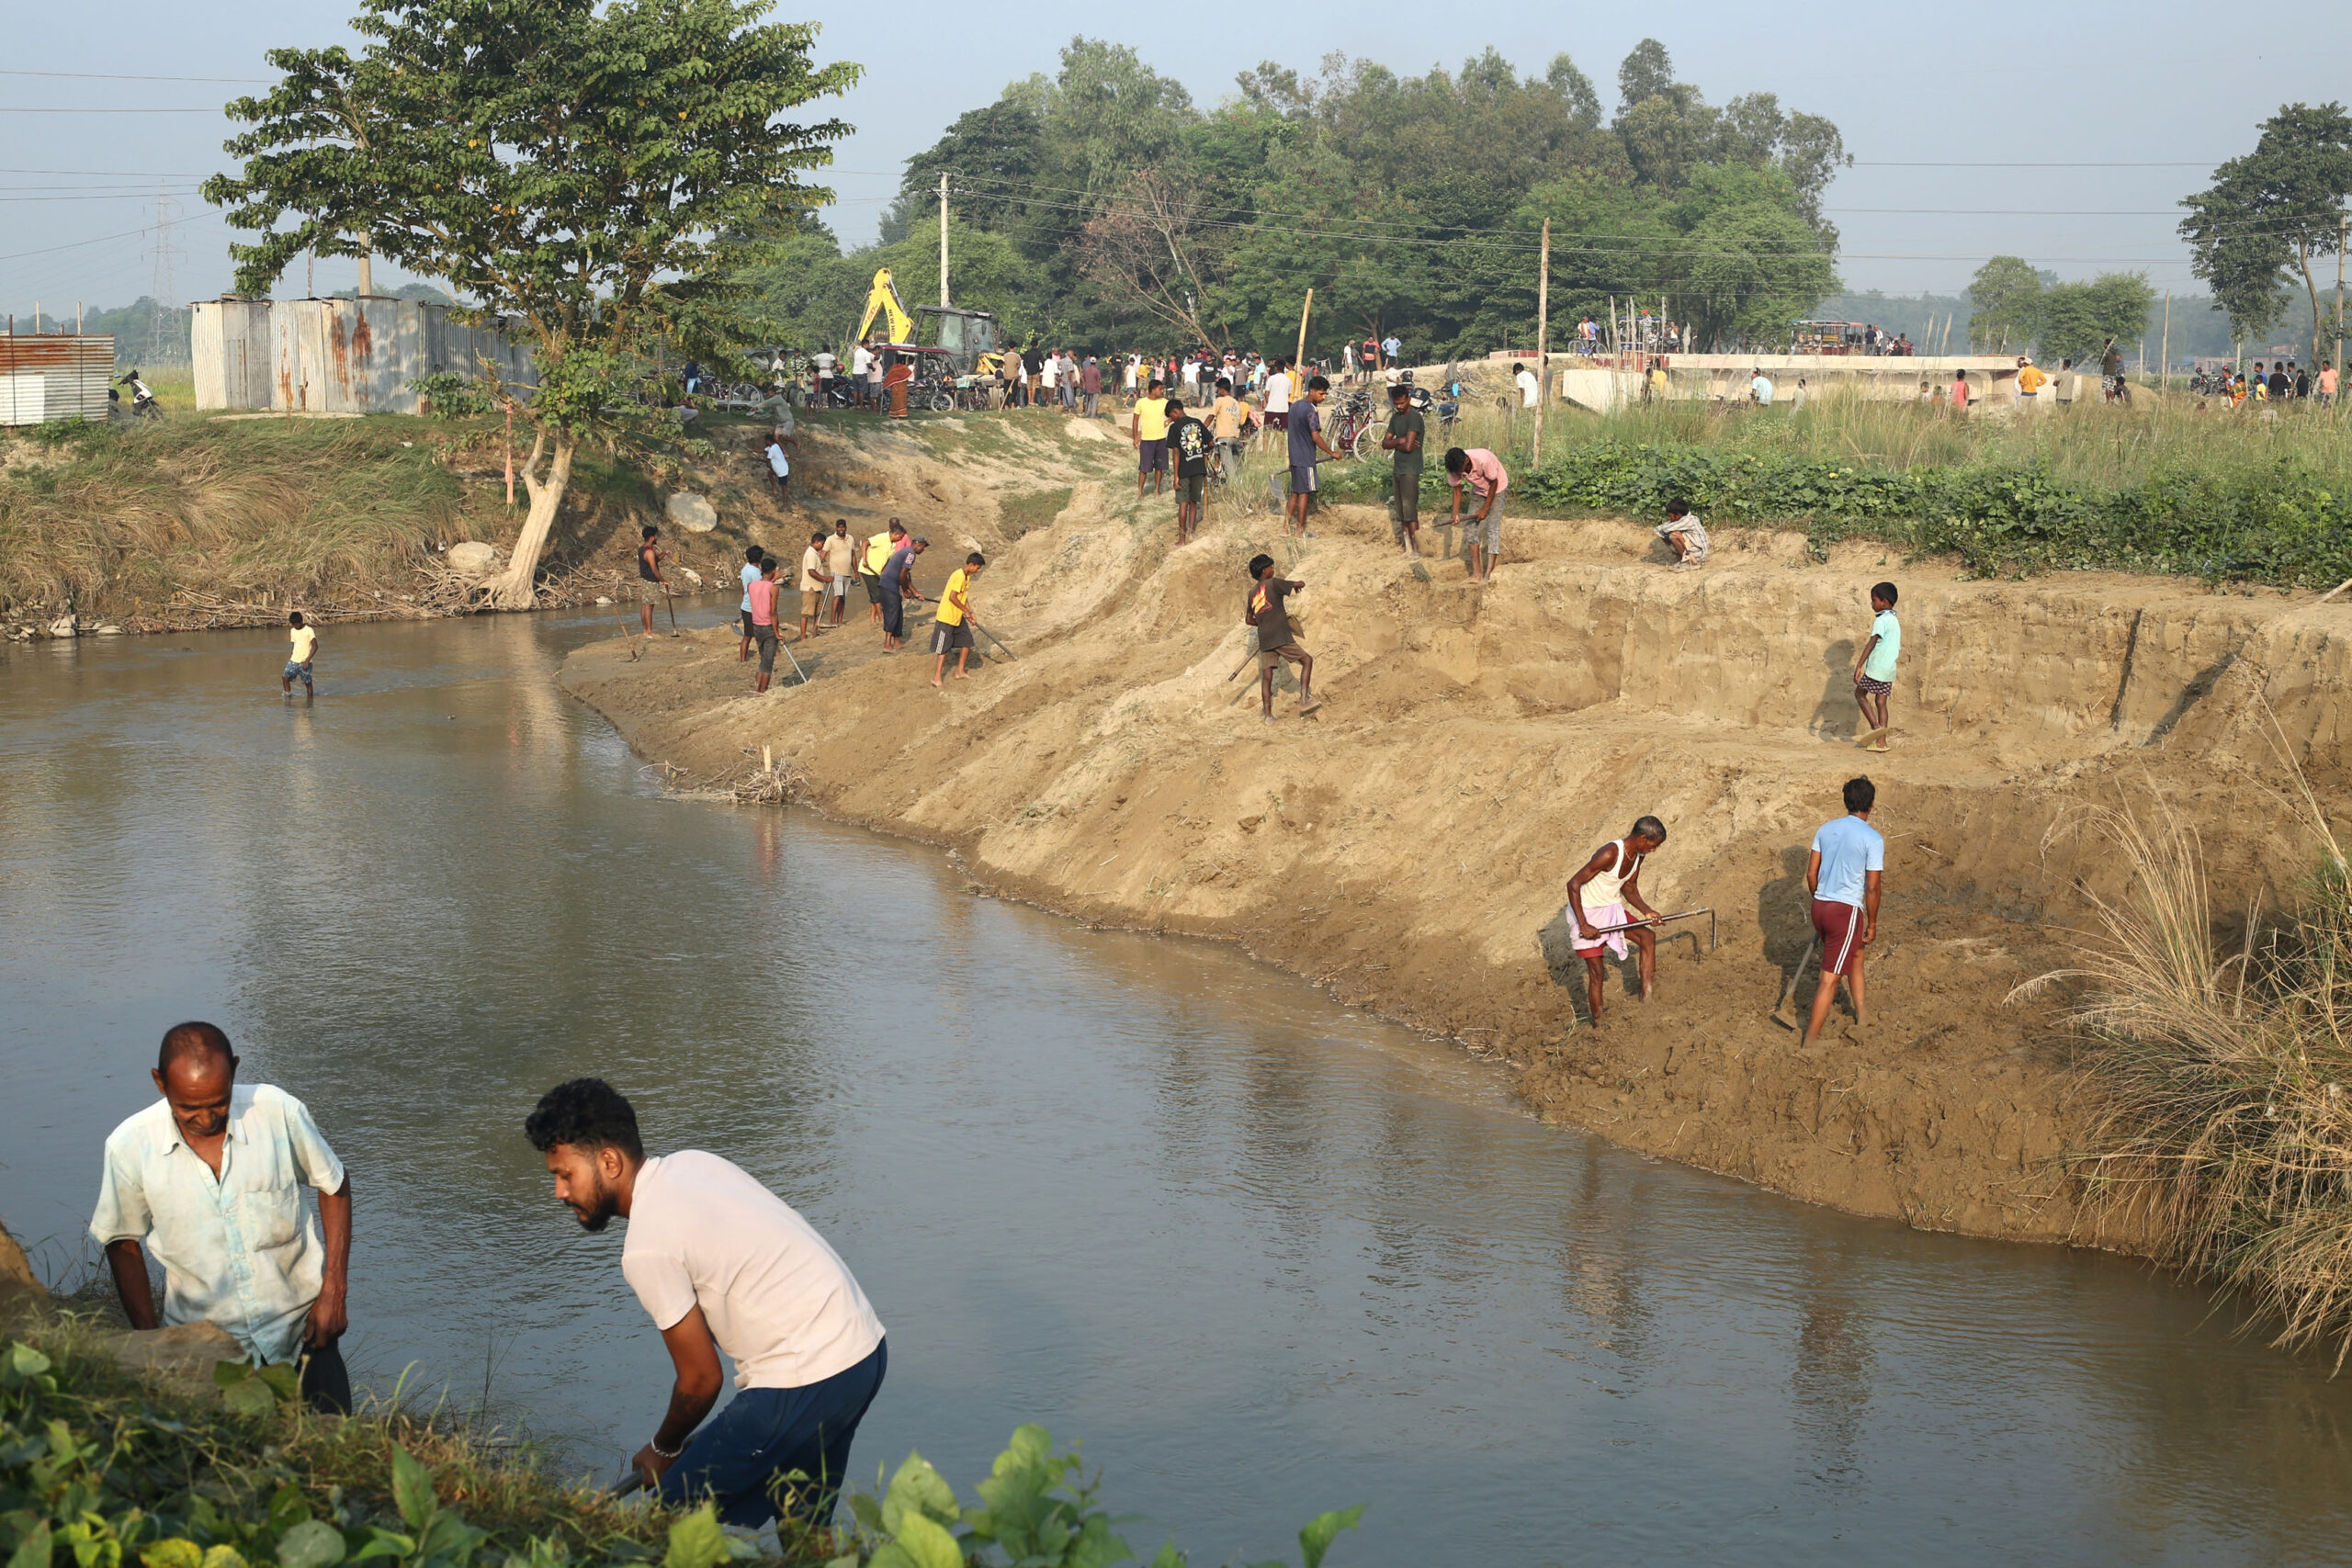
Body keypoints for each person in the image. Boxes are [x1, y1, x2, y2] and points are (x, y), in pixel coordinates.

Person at [525, 1078, 885, 1528]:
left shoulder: (646, 1247)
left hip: (805, 1375)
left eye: (565, 1175)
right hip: (862, 1351)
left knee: (667, 1528)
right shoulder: (693, 1163)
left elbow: (700, 1381)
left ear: (609, 1161)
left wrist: (663, 1448)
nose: (560, 1192)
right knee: (803, 1527)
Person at [92, 1021, 354, 1413]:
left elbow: (334, 1185)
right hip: (204, 1352)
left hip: (303, 1335)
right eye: (187, 1108)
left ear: (234, 1070)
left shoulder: (278, 1112)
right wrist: (151, 1343)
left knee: (333, 1458)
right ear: (160, 1083)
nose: (205, 1118)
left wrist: (333, 1291)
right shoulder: (130, 1147)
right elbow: (122, 1242)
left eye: (219, 1102)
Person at [1802, 778, 1885, 1048]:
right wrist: (1871, 923)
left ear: (1845, 801)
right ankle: (1810, 1044)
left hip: (1820, 906)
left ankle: (1863, 1016)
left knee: (1856, 955)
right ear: (1871, 804)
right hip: (1846, 911)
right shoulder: (1872, 838)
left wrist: (1821, 900)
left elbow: (1811, 874)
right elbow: (1872, 888)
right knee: (1829, 980)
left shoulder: (1825, 830)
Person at [1563, 818, 1668, 1023]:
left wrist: (1647, 911)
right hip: (1585, 912)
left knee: (1647, 937)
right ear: (1643, 837)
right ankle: (1599, 1023)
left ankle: (1647, 1000)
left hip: (1610, 909)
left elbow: (1628, 887)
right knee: (1597, 972)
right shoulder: (1610, 853)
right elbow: (1573, 884)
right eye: (1653, 846)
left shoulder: (1638, 856)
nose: (1653, 850)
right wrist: (1584, 925)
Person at [1245, 553, 1317, 722]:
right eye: (1271, 567)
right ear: (1264, 570)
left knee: (1267, 677)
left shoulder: (1251, 592)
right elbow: (1300, 583)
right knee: (1307, 660)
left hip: (1265, 639)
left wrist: (1264, 623)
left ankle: (1268, 716)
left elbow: (1249, 620)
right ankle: (1305, 700)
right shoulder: (1274, 583)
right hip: (1280, 634)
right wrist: (1298, 585)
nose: (1273, 569)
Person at [1443, 446, 1510, 584]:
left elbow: (1494, 482)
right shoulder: (1454, 467)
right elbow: (1457, 490)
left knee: (1493, 528)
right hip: (1479, 491)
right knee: (1470, 529)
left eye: (1460, 471)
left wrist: (1485, 509)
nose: (1458, 474)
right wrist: (1454, 515)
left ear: (1466, 461)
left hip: (1498, 488)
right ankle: (1477, 574)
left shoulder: (1483, 459)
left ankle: (1489, 574)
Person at [1286, 375, 1338, 538]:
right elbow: (1315, 436)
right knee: (1304, 493)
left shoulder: (1294, 406)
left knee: (1295, 492)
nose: (1323, 397)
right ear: (1312, 391)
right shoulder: (1311, 410)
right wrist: (1331, 453)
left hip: (1294, 457)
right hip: (1305, 458)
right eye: (1321, 394)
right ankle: (1299, 531)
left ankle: (1285, 528)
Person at [1853, 581, 1900, 750]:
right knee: (1881, 701)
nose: (1872, 604)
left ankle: (1876, 728)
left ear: (1884, 602)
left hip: (1877, 668)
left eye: (1874, 600)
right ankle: (1882, 743)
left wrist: (1859, 665)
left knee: (1859, 693)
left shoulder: (1881, 620)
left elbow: (1872, 643)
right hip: (1889, 669)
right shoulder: (1894, 619)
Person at [1381, 381, 1425, 557]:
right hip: (1398, 469)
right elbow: (1385, 443)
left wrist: (1396, 443)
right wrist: (1400, 440)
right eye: (1396, 403)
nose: (1399, 406)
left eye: (1401, 403)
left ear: (1408, 399)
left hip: (1410, 469)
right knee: (1402, 512)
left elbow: (1408, 447)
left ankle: (1417, 548)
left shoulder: (1414, 417)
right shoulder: (1395, 418)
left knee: (1410, 511)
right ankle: (1408, 547)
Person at [931, 552, 986, 686]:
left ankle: (959, 671)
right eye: (977, 568)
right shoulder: (958, 576)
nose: (977, 571)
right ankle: (937, 677)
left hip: (957, 616)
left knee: (967, 642)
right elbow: (952, 597)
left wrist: (970, 613)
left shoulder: (967, 577)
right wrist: (965, 611)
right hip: (947, 617)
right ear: (971, 564)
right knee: (943, 649)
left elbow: (963, 596)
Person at [1168, 397, 1210, 547]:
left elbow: (1176, 453)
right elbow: (1210, 442)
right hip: (1199, 468)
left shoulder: (1174, 428)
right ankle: (1191, 531)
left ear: (1175, 412)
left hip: (1184, 469)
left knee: (1183, 504)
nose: (1171, 420)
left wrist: (1176, 477)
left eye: (1170, 417)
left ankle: (1181, 539)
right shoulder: (1197, 422)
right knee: (1194, 501)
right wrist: (1204, 451)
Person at [878, 533, 928, 651]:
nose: (923, 550)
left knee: (899, 613)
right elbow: (902, 574)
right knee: (892, 614)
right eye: (923, 547)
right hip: (889, 586)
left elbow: (905, 577)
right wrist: (905, 591)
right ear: (919, 545)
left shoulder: (905, 551)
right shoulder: (911, 554)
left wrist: (915, 593)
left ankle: (897, 642)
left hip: (888, 586)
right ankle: (887, 645)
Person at [748, 556, 782, 692]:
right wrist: (777, 633)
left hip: (756, 626)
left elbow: (761, 590)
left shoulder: (751, 586)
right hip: (768, 627)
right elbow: (773, 612)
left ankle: (757, 689)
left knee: (763, 660)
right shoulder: (774, 588)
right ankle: (762, 691)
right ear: (773, 571)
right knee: (768, 662)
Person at [1133, 379, 1170, 498]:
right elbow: (1135, 420)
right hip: (1147, 440)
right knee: (1144, 467)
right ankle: (1140, 492)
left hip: (1161, 439)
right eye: (1160, 389)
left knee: (1159, 467)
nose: (1162, 391)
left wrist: (1167, 422)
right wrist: (1135, 438)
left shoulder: (1165, 402)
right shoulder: (1141, 403)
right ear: (1152, 390)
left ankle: (1157, 490)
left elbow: (1174, 414)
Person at [863, 521, 904, 626]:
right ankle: (882, 618)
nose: (901, 540)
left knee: (874, 595)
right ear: (895, 534)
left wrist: (884, 573)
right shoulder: (881, 538)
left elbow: (888, 560)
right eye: (900, 537)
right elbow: (865, 543)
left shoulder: (893, 545)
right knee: (877, 595)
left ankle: (873, 618)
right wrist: (864, 559)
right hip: (867, 570)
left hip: (877, 572)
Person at [1209, 376, 1249, 483]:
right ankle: (1242, 484)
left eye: (1218, 389)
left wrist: (1202, 428)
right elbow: (1240, 422)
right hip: (1236, 437)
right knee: (1237, 465)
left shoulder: (1219, 400)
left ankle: (1232, 489)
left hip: (1223, 437)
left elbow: (1211, 416)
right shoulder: (1236, 403)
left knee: (1229, 466)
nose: (1217, 392)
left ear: (1221, 389)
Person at [797, 529, 830, 644]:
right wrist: (825, 579)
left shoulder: (814, 554)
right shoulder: (810, 554)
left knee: (819, 611)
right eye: (822, 544)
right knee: (806, 613)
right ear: (817, 542)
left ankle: (815, 631)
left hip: (817, 588)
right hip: (810, 588)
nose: (822, 546)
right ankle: (803, 636)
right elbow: (811, 571)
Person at [1655, 500, 1708, 570]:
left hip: (1699, 553)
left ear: (1678, 515)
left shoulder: (1688, 520)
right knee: (1671, 535)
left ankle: (1690, 562)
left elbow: (1662, 529)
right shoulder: (1688, 518)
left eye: (1671, 517)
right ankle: (1685, 558)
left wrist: (1666, 535)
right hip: (1696, 550)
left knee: (1674, 535)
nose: (1670, 519)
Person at [823, 520, 857, 627]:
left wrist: (856, 572)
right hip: (835, 572)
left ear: (846, 528)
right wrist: (818, 566)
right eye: (839, 527)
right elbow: (823, 553)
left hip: (847, 572)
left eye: (843, 527)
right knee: (837, 594)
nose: (841, 529)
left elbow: (853, 556)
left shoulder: (850, 538)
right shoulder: (830, 539)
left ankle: (840, 620)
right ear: (836, 528)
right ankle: (833, 619)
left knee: (843, 598)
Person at [737, 546, 766, 662]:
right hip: (754, 607)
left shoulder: (745, 569)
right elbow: (762, 588)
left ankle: (743, 659)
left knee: (747, 635)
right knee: (762, 634)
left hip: (746, 606)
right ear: (759, 558)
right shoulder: (755, 572)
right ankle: (764, 655)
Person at [638, 524, 666, 637]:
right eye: (656, 536)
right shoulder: (649, 551)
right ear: (652, 537)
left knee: (645, 605)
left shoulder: (642, 549)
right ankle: (649, 631)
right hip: (650, 580)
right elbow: (654, 569)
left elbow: (654, 560)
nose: (657, 538)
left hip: (644, 579)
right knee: (649, 606)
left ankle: (646, 630)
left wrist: (663, 554)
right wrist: (663, 580)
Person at [282, 611, 317, 697]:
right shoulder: (293, 631)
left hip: (305, 662)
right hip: (294, 660)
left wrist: (307, 661)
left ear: (301, 621)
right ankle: (288, 696)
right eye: (293, 625)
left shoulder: (309, 630)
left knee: (307, 683)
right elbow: (295, 645)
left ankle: (310, 703)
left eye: (296, 624)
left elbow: (315, 646)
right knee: (285, 677)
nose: (295, 626)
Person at [1260, 358, 1291, 452]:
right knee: (1280, 432)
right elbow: (1288, 394)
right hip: (1283, 408)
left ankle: (1265, 451)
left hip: (1271, 408)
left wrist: (1269, 402)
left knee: (1267, 431)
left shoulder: (1271, 379)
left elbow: (1266, 393)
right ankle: (1280, 451)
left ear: (1276, 368)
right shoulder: (1288, 380)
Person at [764, 434, 791, 502]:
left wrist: (757, 459)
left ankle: (785, 505)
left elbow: (767, 460)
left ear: (767, 441)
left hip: (781, 471)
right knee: (770, 474)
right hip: (781, 467)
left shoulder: (772, 450)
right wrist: (752, 450)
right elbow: (763, 450)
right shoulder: (775, 445)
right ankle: (774, 488)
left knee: (784, 489)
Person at [849, 342, 874, 410]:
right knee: (862, 391)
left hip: (855, 372)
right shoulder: (866, 353)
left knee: (856, 390)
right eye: (868, 345)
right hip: (862, 373)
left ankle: (855, 405)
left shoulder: (857, 352)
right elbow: (869, 364)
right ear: (865, 345)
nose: (869, 346)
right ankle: (861, 406)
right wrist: (873, 368)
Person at [1081, 355, 1102, 419]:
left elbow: (1082, 377)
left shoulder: (1086, 370)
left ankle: (1088, 413)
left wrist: (1085, 383)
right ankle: (1093, 415)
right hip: (1095, 388)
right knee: (1095, 402)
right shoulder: (1096, 371)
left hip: (1088, 388)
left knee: (1089, 401)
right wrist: (1099, 389)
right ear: (1095, 363)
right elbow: (1098, 381)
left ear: (1090, 363)